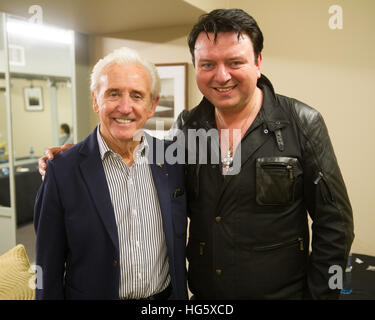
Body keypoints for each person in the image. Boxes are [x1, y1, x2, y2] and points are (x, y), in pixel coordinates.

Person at [39, 9, 354, 300]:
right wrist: (75, 157)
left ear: (258, 62)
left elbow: (335, 224)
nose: (221, 76)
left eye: (235, 62)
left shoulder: (301, 123)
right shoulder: (187, 129)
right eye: (207, 64)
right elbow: (134, 154)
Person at [34, 47, 188, 300]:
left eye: (137, 96)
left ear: (152, 105)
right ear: (95, 99)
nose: (125, 107)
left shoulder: (173, 160)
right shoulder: (62, 171)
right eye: (113, 94)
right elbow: (46, 269)